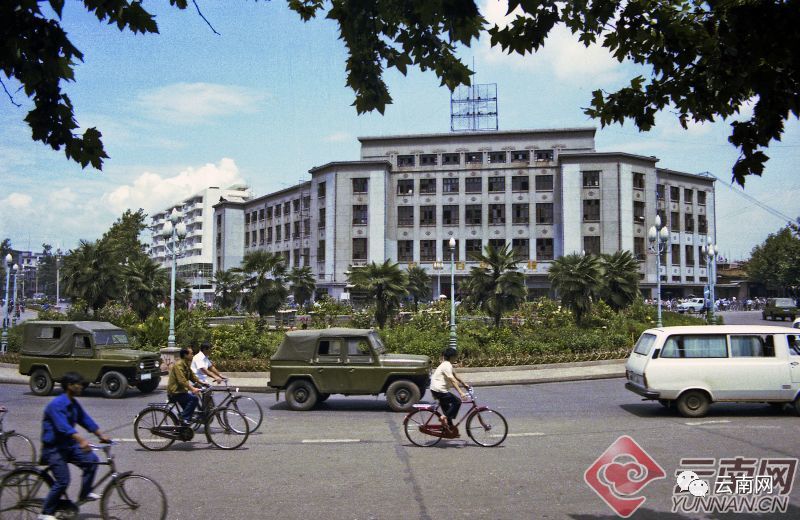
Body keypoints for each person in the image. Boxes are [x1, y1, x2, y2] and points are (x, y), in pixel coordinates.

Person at [39, 372, 111, 520]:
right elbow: (63, 427)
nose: (81, 386)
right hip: (54, 449)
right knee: (63, 481)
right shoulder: (56, 404)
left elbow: (85, 420)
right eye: (78, 384)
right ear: (70, 386)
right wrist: (81, 440)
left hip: (68, 446)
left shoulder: (73, 403)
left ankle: (85, 494)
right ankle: (45, 512)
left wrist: (101, 435)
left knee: (92, 461)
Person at [429, 347, 469, 436]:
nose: (456, 358)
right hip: (439, 390)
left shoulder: (447, 364)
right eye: (455, 356)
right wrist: (461, 393)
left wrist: (464, 383)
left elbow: (455, 376)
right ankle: (444, 417)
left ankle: (450, 430)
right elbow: (452, 380)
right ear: (451, 357)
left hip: (436, 389)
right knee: (457, 401)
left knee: (448, 410)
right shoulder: (446, 365)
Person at [167, 347, 203, 425]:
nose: (193, 355)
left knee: (189, 409)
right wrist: (193, 389)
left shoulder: (186, 364)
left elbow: (192, 376)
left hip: (181, 391)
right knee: (194, 399)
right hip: (175, 392)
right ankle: (183, 419)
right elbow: (182, 380)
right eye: (191, 354)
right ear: (185, 355)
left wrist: (202, 383)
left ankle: (182, 425)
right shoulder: (178, 365)